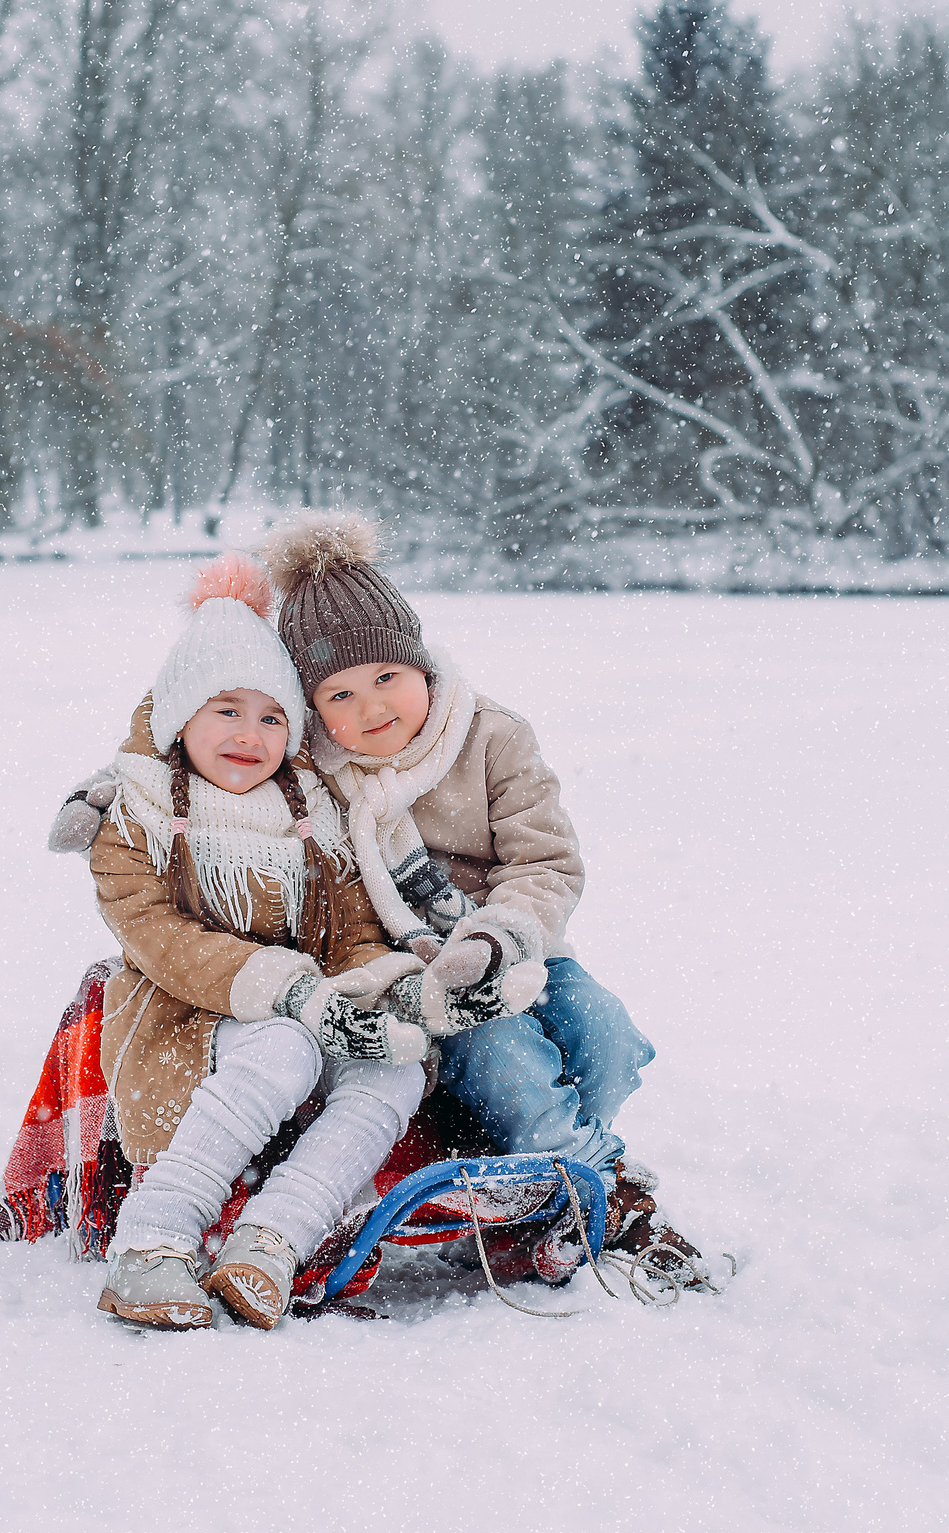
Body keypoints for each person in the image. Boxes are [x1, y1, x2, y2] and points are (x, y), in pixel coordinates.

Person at [257, 512, 716, 1292]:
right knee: (502, 1051)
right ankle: (605, 1194)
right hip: (414, 970)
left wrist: (501, 936)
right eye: (340, 693)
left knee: (602, 1033)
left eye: (386, 679)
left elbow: (547, 861)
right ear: (312, 708)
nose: (372, 708)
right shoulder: (316, 778)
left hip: (519, 943)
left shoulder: (491, 736)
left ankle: (530, 1191)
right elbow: (207, 755)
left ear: (423, 668)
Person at [87, 554, 518, 1330]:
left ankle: (271, 1242)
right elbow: (159, 939)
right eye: (227, 710)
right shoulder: (139, 815)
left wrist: (398, 996)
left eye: (272, 716)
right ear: (183, 715)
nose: (250, 736)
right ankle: (152, 1242)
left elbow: (352, 933)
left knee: (396, 1068)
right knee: (281, 1048)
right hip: (184, 1016)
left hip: (309, 1008)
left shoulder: (314, 812)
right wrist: (287, 991)